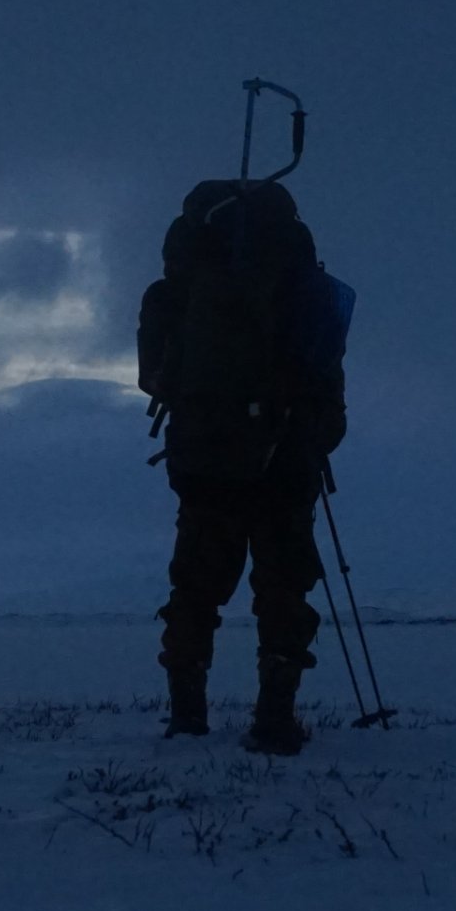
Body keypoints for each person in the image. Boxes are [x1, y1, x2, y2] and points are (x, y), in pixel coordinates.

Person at [137, 179, 346, 755]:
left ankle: (187, 717)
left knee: (194, 588)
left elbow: (153, 378)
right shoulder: (306, 290)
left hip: (204, 459)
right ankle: (275, 718)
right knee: (284, 588)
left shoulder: (178, 290)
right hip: (286, 464)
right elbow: (327, 386)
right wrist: (310, 438)